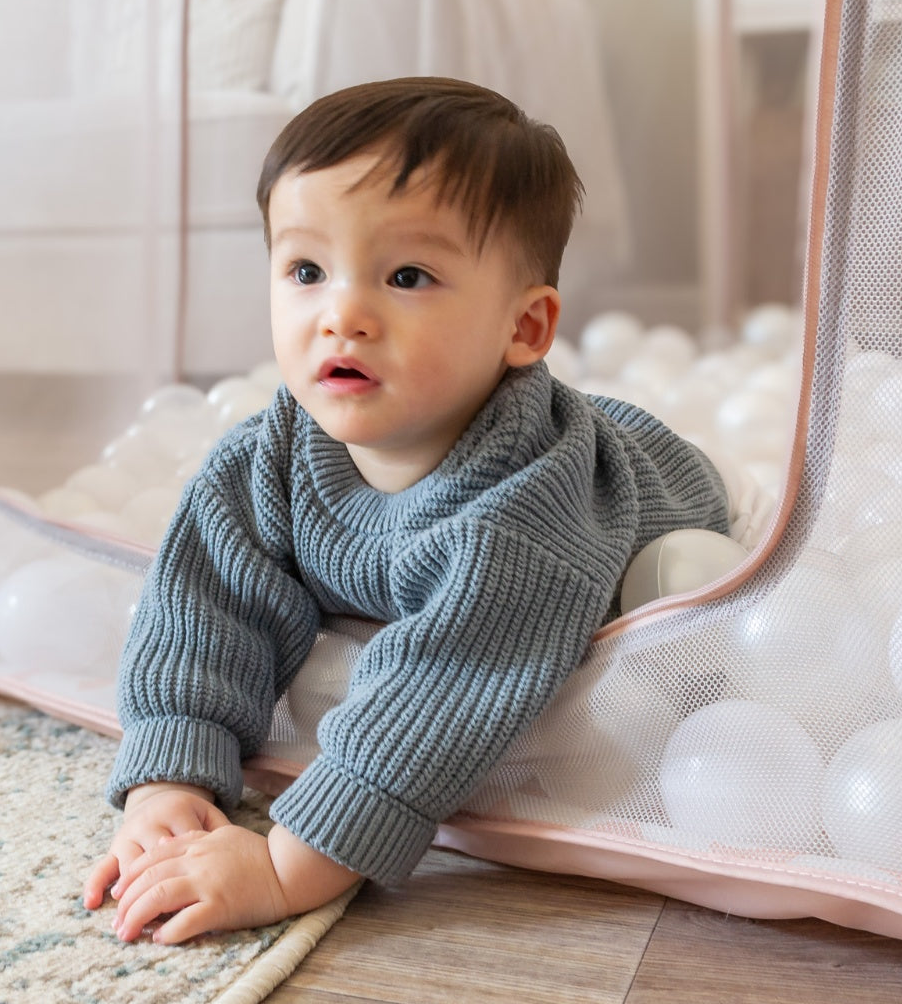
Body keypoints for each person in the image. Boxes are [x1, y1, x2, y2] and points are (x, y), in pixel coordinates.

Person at [82, 77, 729, 944]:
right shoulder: (270, 453)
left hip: (655, 511)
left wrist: (284, 868)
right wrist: (171, 775)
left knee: (663, 568)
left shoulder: (521, 522)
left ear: (524, 330)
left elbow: (441, 696)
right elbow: (202, 602)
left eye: (408, 276)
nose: (342, 315)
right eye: (306, 271)